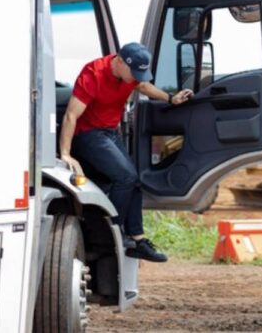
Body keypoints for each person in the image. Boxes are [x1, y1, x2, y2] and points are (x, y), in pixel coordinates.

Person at [59, 42, 193, 262]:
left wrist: (170, 98)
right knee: (125, 178)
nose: (136, 78)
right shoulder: (93, 73)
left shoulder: (131, 74)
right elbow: (71, 116)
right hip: (89, 134)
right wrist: (65, 153)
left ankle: (137, 240)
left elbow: (144, 87)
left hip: (111, 132)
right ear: (120, 62)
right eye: (134, 73)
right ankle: (108, 235)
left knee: (135, 182)